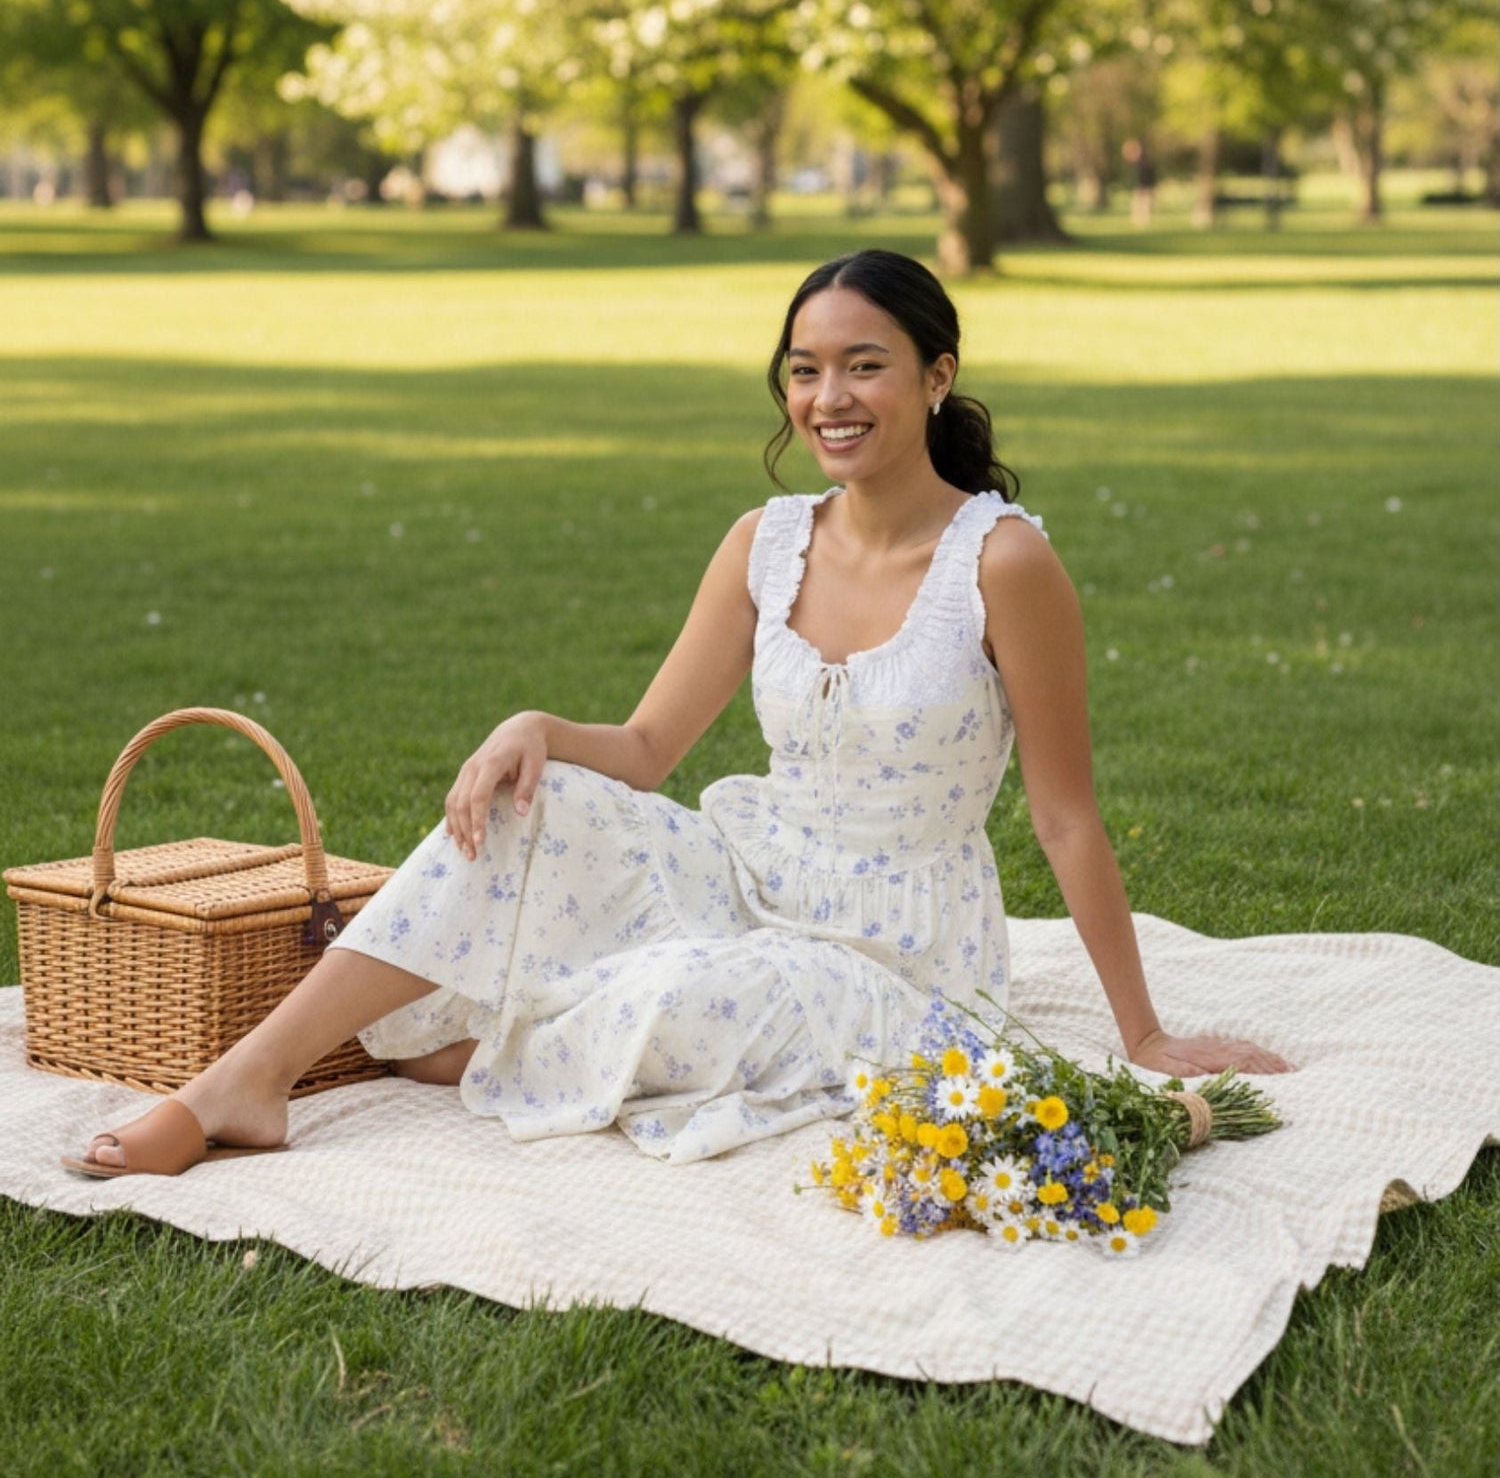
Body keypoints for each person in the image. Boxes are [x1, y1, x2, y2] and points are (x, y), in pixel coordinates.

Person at [66, 249, 1289, 1179]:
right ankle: (250, 1080)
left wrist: (1144, 1031)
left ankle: (469, 1050)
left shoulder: (1004, 563)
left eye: (864, 364)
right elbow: (648, 751)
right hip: (746, 859)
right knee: (539, 814)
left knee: (692, 990)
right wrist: (535, 726)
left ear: (936, 375)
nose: (830, 397)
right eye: (805, 370)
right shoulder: (763, 543)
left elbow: (1066, 817)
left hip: (894, 944)